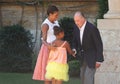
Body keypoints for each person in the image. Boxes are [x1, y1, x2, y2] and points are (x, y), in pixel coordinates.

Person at [72, 11, 104, 84]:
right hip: (82, 58)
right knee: (82, 77)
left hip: (92, 58)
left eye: (78, 20)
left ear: (83, 18)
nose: (76, 23)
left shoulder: (92, 28)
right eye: (75, 21)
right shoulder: (76, 28)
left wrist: (99, 60)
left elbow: (99, 44)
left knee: (88, 78)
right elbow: (74, 41)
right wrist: (74, 49)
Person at [32, 5, 59, 84]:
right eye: (55, 15)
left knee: (55, 74)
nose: (57, 17)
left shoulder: (56, 22)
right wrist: (49, 46)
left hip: (56, 50)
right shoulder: (45, 25)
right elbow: (43, 40)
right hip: (48, 50)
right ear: (50, 14)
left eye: (57, 15)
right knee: (48, 75)